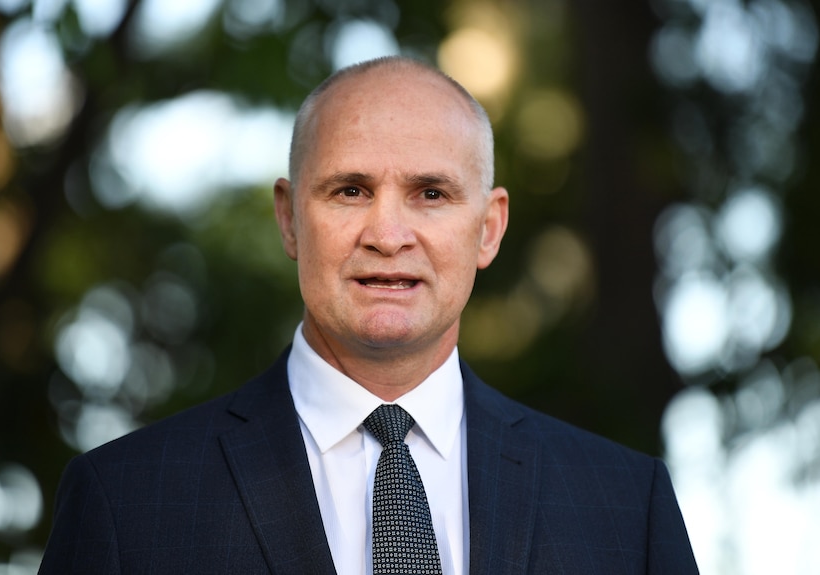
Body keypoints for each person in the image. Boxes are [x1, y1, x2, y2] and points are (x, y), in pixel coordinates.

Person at [39, 56, 698, 574]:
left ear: (489, 228)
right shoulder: (126, 502)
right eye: (350, 190)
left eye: (431, 192)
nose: (388, 233)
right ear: (289, 218)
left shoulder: (623, 506)